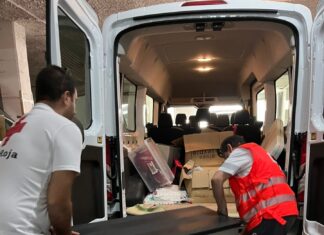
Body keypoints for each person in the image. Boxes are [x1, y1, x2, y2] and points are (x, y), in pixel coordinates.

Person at [0, 66, 83, 235]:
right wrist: (64, 233)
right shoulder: (65, 127)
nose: (74, 108)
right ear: (66, 97)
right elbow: (57, 202)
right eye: (75, 100)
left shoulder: (19, 125)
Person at [211, 135, 298, 235]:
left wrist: (223, 212)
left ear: (229, 148)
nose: (226, 162)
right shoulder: (263, 155)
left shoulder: (240, 152)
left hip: (271, 215)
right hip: (286, 212)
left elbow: (216, 179)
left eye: (226, 157)